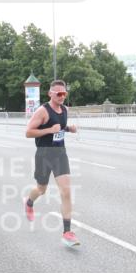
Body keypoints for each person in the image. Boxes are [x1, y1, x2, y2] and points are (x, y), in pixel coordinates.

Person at [25, 80, 80, 247]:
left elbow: (59, 128)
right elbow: (28, 132)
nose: (62, 96)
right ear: (50, 94)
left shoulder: (65, 109)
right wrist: (49, 130)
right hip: (43, 155)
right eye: (58, 94)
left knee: (66, 192)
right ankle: (29, 202)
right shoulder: (42, 111)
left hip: (60, 155)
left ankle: (67, 232)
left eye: (64, 94)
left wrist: (68, 129)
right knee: (41, 189)